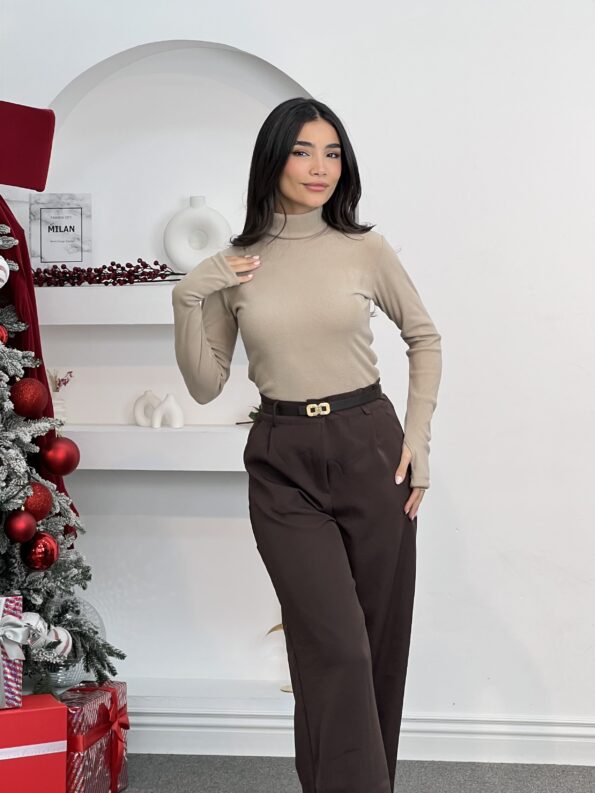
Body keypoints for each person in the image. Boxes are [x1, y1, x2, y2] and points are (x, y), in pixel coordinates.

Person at [172, 97, 442, 793]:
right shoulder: (237, 265)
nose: (320, 167)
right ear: (273, 159)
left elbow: (424, 337)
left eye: (332, 153)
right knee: (333, 646)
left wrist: (417, 437)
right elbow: (203, 385)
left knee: (375, 646)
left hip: (369, 445)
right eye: (302, 151)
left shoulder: (364, 249)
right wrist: (188, 297)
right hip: (281, 456)